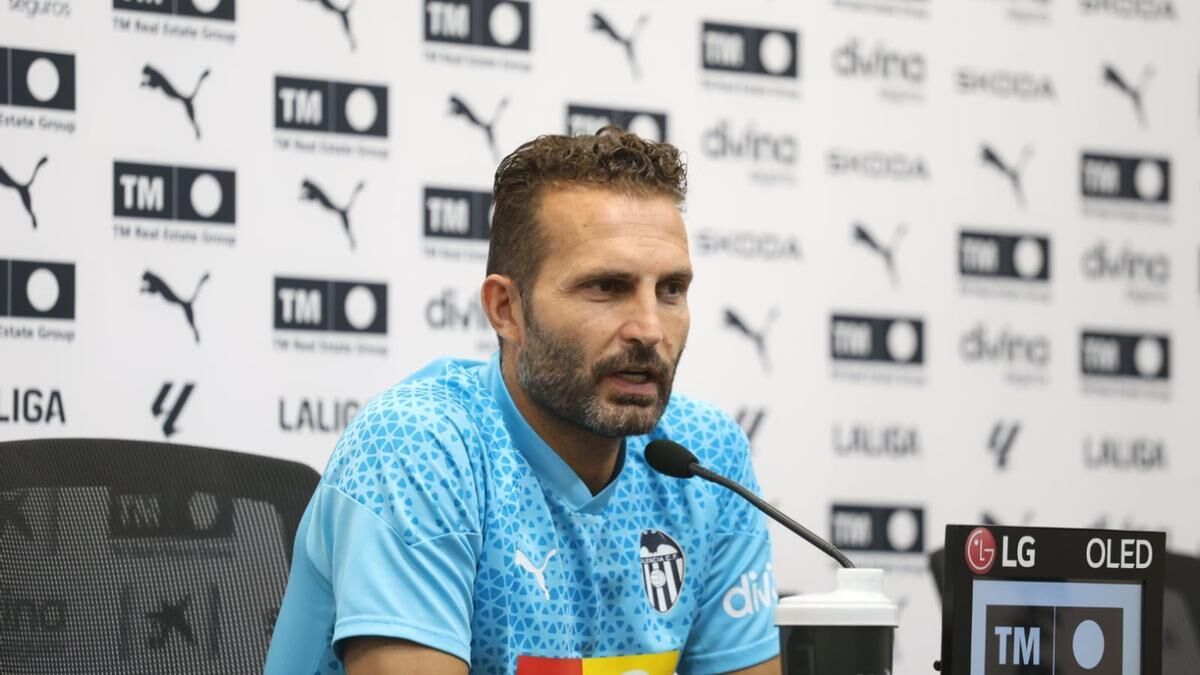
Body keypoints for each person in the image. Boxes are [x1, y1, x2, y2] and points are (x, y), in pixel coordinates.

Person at [264, 126, 781, 675]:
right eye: (606, 287)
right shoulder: (418, 447)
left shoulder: (706, 456)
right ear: (506, 310)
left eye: (671, 289)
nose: (650, 329)